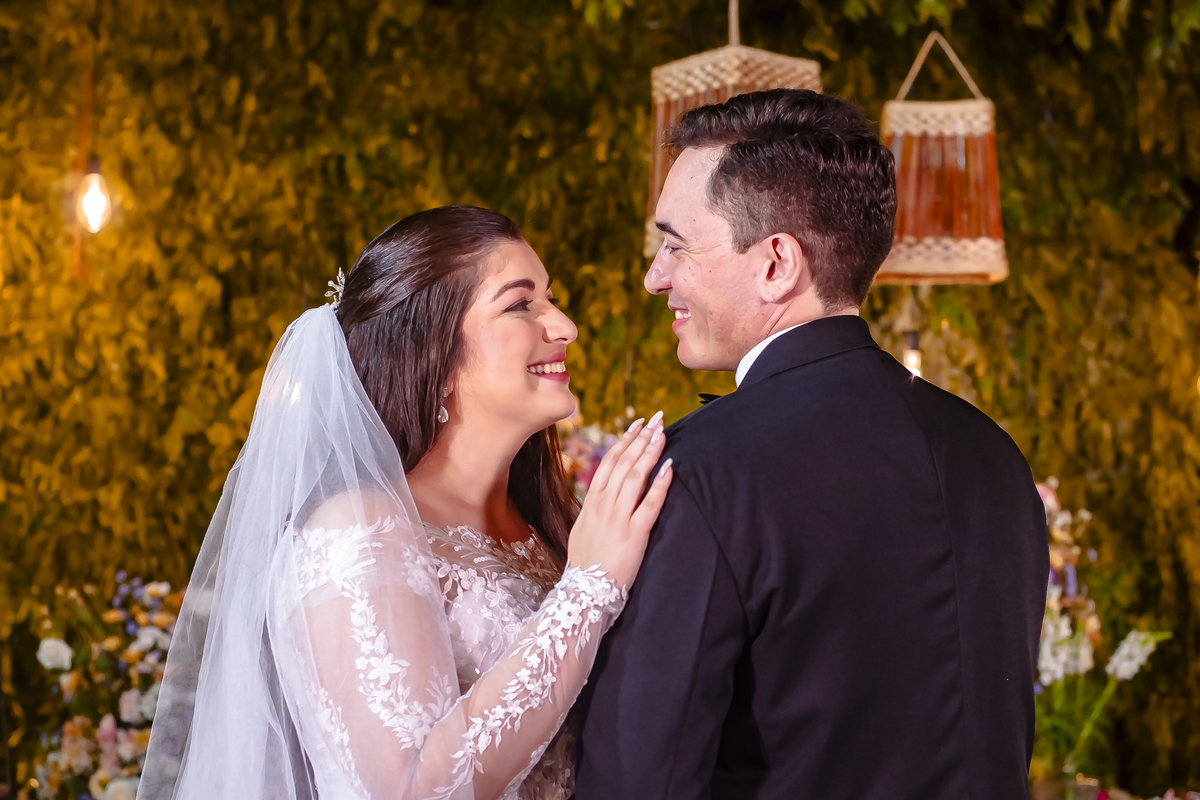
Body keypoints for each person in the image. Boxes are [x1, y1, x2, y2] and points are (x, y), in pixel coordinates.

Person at [573, 89, 1050, 799]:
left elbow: (642, 781)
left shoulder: (700, 472)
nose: (654, 277)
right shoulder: (994, 457)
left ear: (776, 264)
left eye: (675, 245)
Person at [138, 205, 673, 800]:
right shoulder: (356, 532)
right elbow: (411, 789)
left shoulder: (555, 524)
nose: (565, 326)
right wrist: (589, 589)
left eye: (551, 298)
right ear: (433, 353)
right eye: (520, 304)